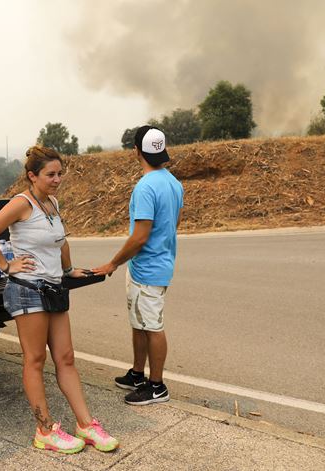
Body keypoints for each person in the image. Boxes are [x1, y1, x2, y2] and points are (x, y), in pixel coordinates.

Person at [0, 145, 119, 454]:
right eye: (50, 175)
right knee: (35, 360)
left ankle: (85, 425)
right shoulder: (21, 203)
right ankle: (44, 430)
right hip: (27, 289)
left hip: (54, 287)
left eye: (60, 174)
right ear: (32, 176)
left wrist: (68, 270)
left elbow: (60, 242)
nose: (57, 180)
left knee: (66, 357)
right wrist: (6, 265)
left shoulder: (52, 202)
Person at [92, 126, 184, 406]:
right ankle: (137, 374)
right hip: (157, 263)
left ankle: (156, 386)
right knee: (140, 322)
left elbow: (140, 236)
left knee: (152, 325)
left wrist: (113, 263)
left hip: (147, 268)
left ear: (136, 151)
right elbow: (174, 223)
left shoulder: (145, 187)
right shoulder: (173, 183)